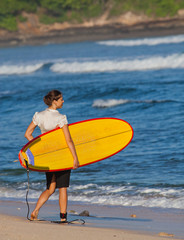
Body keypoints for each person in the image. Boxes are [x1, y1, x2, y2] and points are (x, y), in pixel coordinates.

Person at [24, 89, 79, 222]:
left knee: (50, 188)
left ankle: (35, 211)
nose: (63, 101)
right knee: (63, 188)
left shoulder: (39, 115)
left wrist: (39, 149)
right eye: (61, 99)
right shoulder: (61, 118)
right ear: (55, 101)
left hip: (48, 157)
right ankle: (63, 218)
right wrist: (75, 158)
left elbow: (28, 134)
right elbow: (69, 140)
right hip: (61, 156)